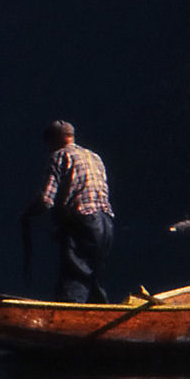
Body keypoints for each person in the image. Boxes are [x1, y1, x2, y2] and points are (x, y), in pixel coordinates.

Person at [20, 120, 114, 303]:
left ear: (55, 139)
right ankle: (100, 317)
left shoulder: (59, 156)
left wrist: (26, 214)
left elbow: (46, 200)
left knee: (75, 276)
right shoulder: (94, 157)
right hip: (106, 223)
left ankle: (68, 318)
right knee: (95, 276)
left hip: (83, 221)